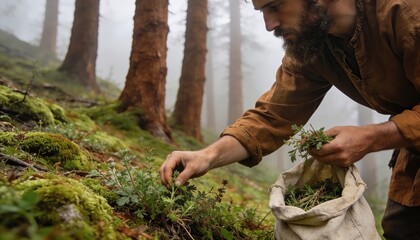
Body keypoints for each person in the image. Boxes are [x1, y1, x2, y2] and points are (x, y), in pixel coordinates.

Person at [159, 0, 420, 238]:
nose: (269, 24)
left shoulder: (405, 12)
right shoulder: (313, 42)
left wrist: (373, 137)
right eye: (262, 12)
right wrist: (207, 156)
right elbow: (273, 115)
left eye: (275, 6)